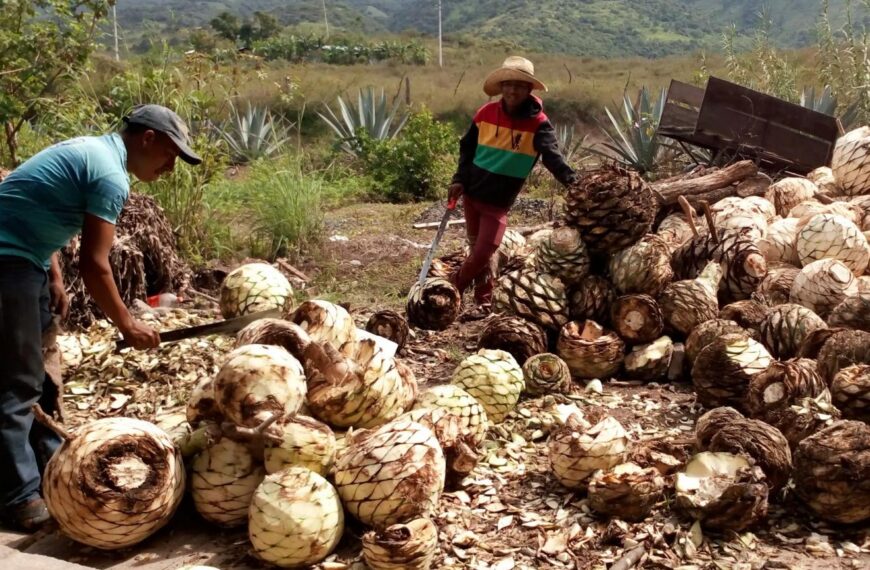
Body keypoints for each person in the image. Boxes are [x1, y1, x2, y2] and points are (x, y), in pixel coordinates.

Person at [0, 104, 202, 531]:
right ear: (147, 139)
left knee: (38, 378)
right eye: (169, 154)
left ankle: (52, 470)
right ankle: (17, 496)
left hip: (25, 259)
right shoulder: (109, 174)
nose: (169, 167)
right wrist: (127, 324)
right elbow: (95, 265)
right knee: (16, 384)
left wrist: (52, 272)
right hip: (7, 263)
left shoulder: (94, 154)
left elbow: (34, 207)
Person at [449, 56, 576, 311]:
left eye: (519, 85)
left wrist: (575, 183)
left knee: (484, 252)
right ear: (501, 87)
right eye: (508, 84)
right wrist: (459, 179)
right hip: (472, 194)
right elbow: (467, 148)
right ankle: (484, 300)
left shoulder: (539, 125)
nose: (512, 90)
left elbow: (553, 158)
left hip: (498, 202)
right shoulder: (485, 113)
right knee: (478, 250)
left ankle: (452, 287)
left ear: (529, 89)